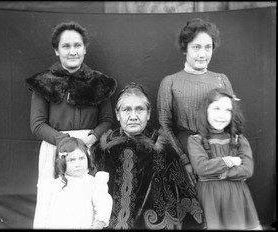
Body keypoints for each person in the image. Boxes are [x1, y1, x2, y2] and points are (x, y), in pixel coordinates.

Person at [24, 21, 117, 228]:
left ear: (85, 48)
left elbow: (107, 120)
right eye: (66, 46)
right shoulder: (44, 81)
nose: (72, 51)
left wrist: (90, 139)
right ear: (57, 50)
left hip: (89, 150)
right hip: (57, 149)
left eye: (77, 45)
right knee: (56, 206)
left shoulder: (99, 82)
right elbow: (37, 124)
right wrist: (66, 142)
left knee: (89, 203)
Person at [91, 82, 206, 229]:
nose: (133, 116)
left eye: (140, 109)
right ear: (117, 114)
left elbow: (183, 196)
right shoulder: (101, 150)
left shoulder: (164, 150)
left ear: (149, 113)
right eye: (127, 110)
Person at [157, 18, 234, 187]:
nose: (202, 54)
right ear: (185, 49)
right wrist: (184, 161)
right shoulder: (170, 82)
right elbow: (165, 125)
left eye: (208, 47)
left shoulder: (222, 80)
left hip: (218, 152)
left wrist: (233, 159)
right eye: (196, 47)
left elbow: (232, 124)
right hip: (185, 152)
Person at [187, 88, 262, 230]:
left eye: (228, 110)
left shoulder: (239, 140)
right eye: (216, 108)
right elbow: (201, 168)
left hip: (236, 197)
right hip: (209, 198)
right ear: (206, 111)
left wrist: (223, 174)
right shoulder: (196, 140)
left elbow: (247, 169)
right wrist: (230, 161)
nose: (222, 115)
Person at [35, 137, 112, 229]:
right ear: (63, 162)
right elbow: (42, 215)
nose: (78, 164)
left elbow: (104, 206)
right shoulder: (52, 186)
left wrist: (96, 225)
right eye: (72, 160)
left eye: (81, 158)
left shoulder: (94, 183)